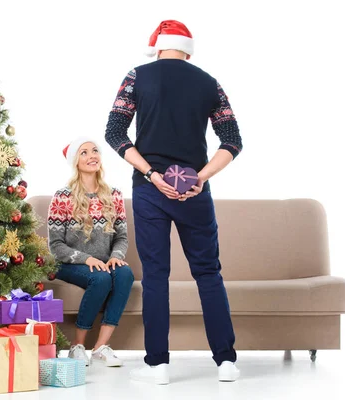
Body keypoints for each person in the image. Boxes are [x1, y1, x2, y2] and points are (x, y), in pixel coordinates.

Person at [103, 20, 243, 384]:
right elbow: (232, 140)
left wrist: (151, 174)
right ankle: (226, 362)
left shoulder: (137, 76)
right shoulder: (209, 83)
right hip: (195, 192)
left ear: (158, 46)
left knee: (156, 277)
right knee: (209, 274)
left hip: (151, 191)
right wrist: (201, 177)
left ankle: (158, 365)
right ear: (188, 48)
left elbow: (114, 132)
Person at [47, 136, 134, 367]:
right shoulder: (62, 197)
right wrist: (87, 259)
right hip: (69, 264)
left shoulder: (113, 195)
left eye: (94, 151)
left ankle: (100, 347)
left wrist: (116, 256)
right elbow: (56, 247)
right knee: (102, 278)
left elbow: (122, 237)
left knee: (124, 274)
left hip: (104, 262)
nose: (91, 156)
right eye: (84, 152)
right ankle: (77, 346)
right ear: (75, 161)